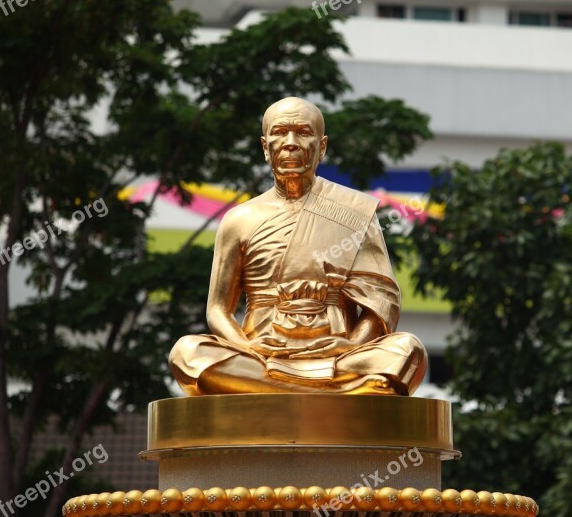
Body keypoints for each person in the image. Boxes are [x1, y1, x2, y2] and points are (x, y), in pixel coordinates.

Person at [169, 97, 427, 396]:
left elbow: (380, 301)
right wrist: (245, 346)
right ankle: (333, 392)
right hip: (262, 353)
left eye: (303, 132)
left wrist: (354, 344)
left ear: (322, 146)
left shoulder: (353, 211)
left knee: (408, 350)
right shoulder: (239, 219)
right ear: (265, 147)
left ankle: (277, 389)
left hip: (338, 353)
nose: (290, 142)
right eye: (280, 132)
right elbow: (217, 309)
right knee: (188, 352)